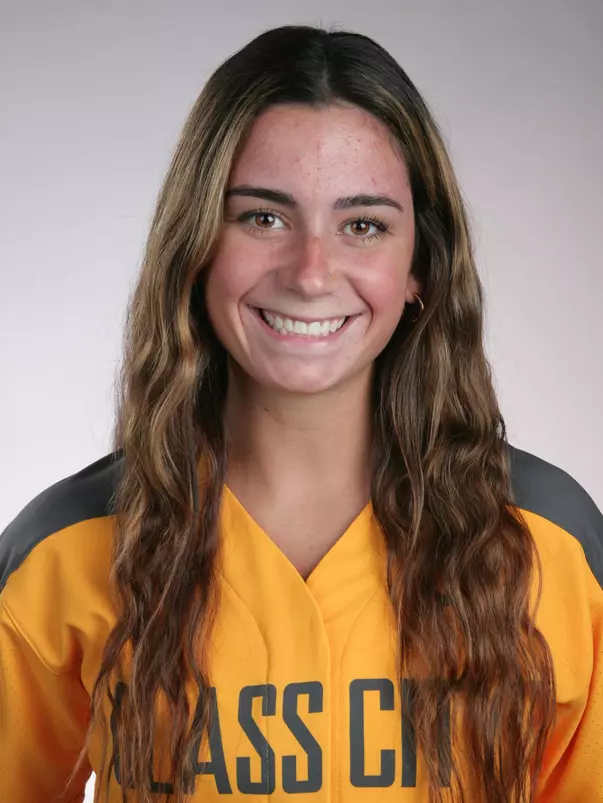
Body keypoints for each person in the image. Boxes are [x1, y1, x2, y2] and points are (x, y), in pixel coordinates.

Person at [0, 22, 601, 803]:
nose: (312, 273)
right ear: (196, 245)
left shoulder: (548, 544)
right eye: (262, 217)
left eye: (362, 225)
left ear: (419, 264)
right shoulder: (69, 550)